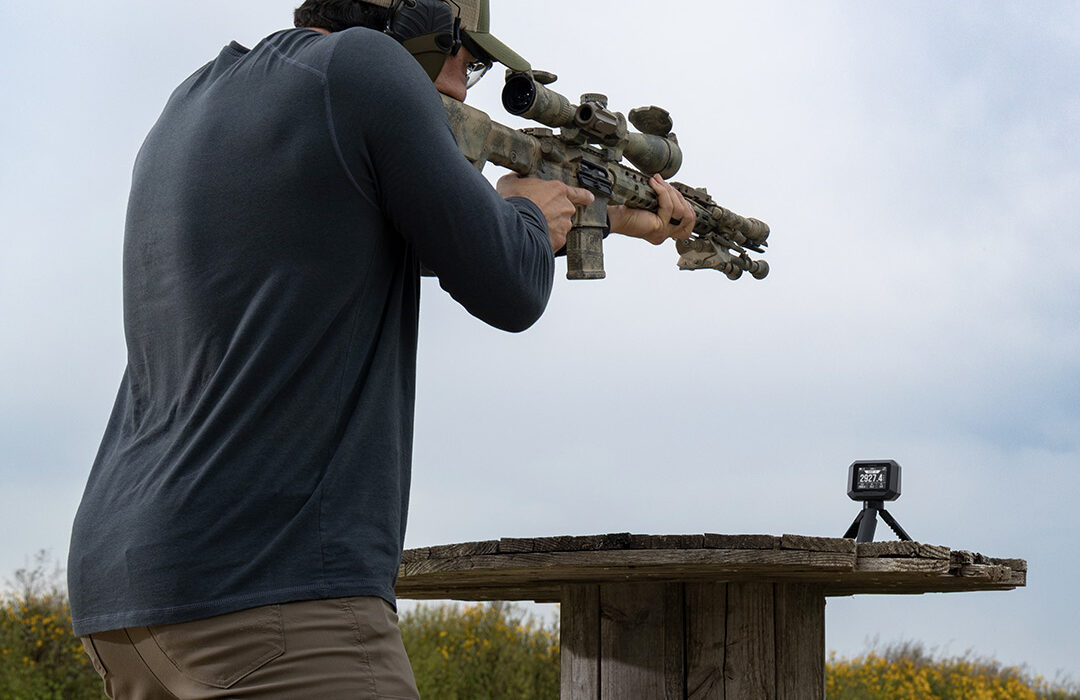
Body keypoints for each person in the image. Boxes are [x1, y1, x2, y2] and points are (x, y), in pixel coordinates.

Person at [68, 1, 695, 697]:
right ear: (418, 27)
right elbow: (510, 286)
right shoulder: (367, 66)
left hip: (127, 592)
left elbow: (404, 239)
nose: (461, 87)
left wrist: (610, 217)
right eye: (467, 59)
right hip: (273, 587)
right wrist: (524, 211)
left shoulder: (193, 99)